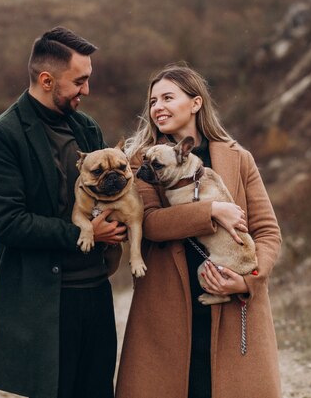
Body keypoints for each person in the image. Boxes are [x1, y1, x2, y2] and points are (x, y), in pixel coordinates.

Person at [117, 64, 283, 398]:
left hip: (232, 303)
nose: (158, 107)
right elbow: (149, 223)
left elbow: (267, 232)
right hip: (167, 306)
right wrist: (211, 211)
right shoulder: (141, 162)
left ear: (196, 103)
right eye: (153, 101)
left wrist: (249, 278)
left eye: (168, 97)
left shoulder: (238, 158)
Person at [0, 26, 126, 398]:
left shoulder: (86, 127)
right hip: (46, 302)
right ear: (46, 80)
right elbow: (7, 223)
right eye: (79, 81)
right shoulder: (3, 135)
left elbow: (112, 193)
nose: (86, 91)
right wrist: (86, 233)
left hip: (96, 293)